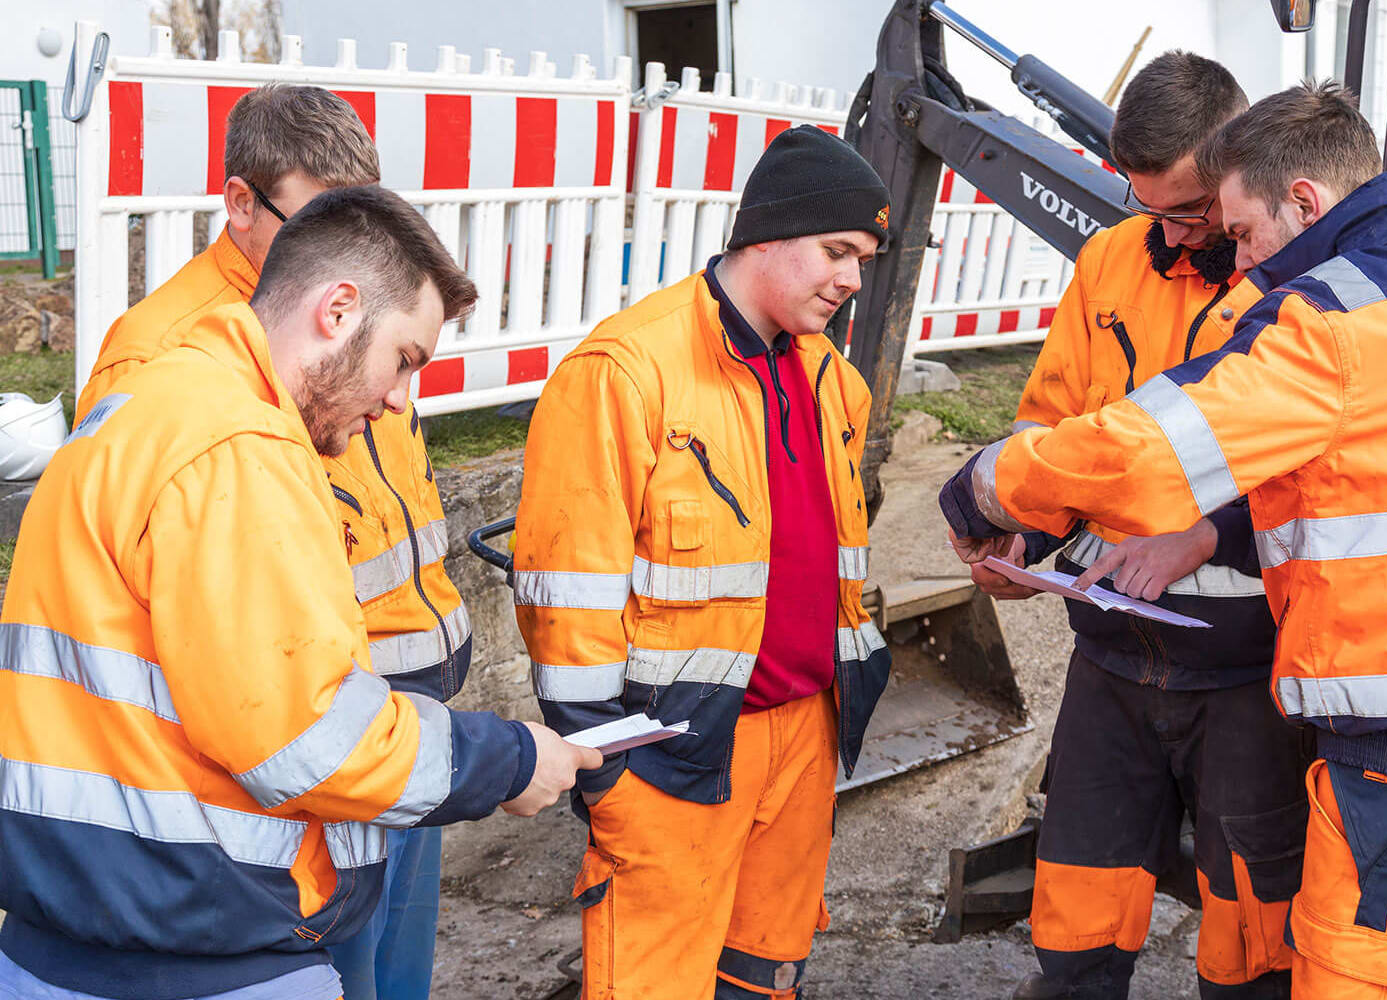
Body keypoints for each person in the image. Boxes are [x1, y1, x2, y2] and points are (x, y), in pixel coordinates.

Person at [941, 81, 1387, 999]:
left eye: (1241, 230)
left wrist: (986, 487)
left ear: (1305, 203)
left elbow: (1144, 452)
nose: (1239, 260)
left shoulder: (1330, 328)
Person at [0, 185, 603, 1000]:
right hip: (201, 948)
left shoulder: (145, 407)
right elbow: (309, 736)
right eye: (405, 359)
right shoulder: (238, 448)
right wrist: (510, 758)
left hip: (75, 935)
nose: (399, 400)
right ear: (339, 309)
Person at [73, 84, 473, 1000]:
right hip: (302, 744)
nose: (348, 241)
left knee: (394, 971)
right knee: (336, 971)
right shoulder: (163, 354)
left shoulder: (358, 318)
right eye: (320, 214)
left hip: (404, 720)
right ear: (241, 204)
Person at [513, 125, 892, 999]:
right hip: (670, 752)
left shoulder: (836, 382)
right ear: (767, 232)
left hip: (805, 733)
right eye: (837, 251)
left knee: (764, 971)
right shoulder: (624, 370)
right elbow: (567, 592)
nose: (852, 280)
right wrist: (602, 765)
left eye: (865, 259)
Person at [979, 52, 1301, 1000]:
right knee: (1075, 931)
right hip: (1111, 661)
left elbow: (1317, 473)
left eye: (1196, 209)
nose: (1173, 231)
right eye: (1151, 207)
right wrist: (1022, 539)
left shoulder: (1294, 279)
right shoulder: (1111, 260)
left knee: (1254, 946)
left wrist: (1207, 536)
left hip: (1250, 672)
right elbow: (1055, 425)